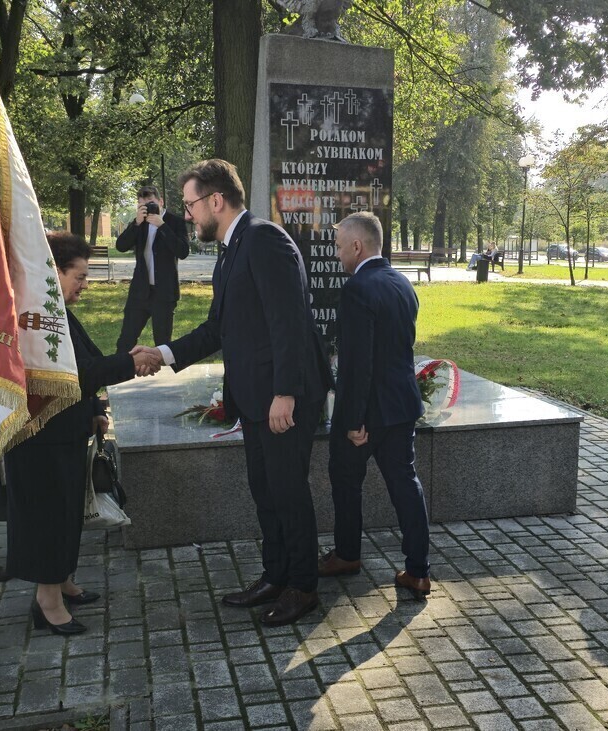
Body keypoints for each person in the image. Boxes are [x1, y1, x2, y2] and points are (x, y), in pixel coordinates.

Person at [133, 159, 332, 626]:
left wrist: (286, 393)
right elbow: (218, 329)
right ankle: (276, 575)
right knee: (265, 491)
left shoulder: (264, 240)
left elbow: (290, 323)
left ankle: (303, 587)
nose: (186, 215)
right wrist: (162, 353)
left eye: (190, 205)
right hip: (255, 398)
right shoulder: (232, 248)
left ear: (216, 200)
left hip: (281, 399)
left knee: (288, 492)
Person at [4, 232, 161, 635]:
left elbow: (82, 365)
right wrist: (131, 362)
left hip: (66, 431)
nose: (85, 284)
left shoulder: (56, 311)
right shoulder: (32, 315)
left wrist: (94, 410)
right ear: (53, 271)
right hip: (39, 438)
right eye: (80, 275)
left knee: (68, 510)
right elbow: (77, 374)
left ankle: (63, 580)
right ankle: (47, 601)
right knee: (48, 517)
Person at [317, 212, 432, 599]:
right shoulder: (402, 284)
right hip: (402, 405)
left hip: (368, 416)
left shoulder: (357, 289)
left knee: (345, 480)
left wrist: (352, 420)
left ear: (356, 246)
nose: (336, 255)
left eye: (338, 247)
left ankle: (348, 554)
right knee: (405, 485)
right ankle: (417, 571)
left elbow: (357, 364)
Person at [114, 185, 190, 353]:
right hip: (139, 292)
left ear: (160, 201)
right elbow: (121, 246)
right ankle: (119, 374)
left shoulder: (174, 222)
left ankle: (164, 377)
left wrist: (162, 226)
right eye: (142, 204)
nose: (147, 208)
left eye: (150, 203)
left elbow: (183, 251)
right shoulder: (139, 223)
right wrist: (136, 223)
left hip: (164, 293)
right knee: (126, 340)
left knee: (163, 343)